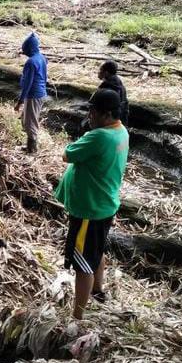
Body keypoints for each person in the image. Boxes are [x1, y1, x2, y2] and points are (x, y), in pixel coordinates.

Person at [55, 89, 129, 320]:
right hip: (105, 204)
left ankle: (78, 314)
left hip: (89, 208)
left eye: (93, 111)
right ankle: (98, 290)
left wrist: (86, 137)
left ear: (106, 114)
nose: (90, 116)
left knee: (83, 263)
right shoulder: (121, 132)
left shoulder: (99, 136)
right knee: (97, 251)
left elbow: (68, 154)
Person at [14, 32, 48, 154]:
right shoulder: (42, 58)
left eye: (25, 49)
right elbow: (45, 77)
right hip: (40, 93)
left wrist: (20, 101)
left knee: (30, 122)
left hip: (33, 95)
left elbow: (28, 83)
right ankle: (29, 145)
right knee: (27, 120)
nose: (24, 52)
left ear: (29, 48)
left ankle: (32, 150)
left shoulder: (31, 62)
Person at [97, 60, 129, 126]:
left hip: (111, 123)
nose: (98, 72)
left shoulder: (108, 87)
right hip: (121, 121)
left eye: (100, 70)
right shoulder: (118, 83)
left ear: (106, 73)